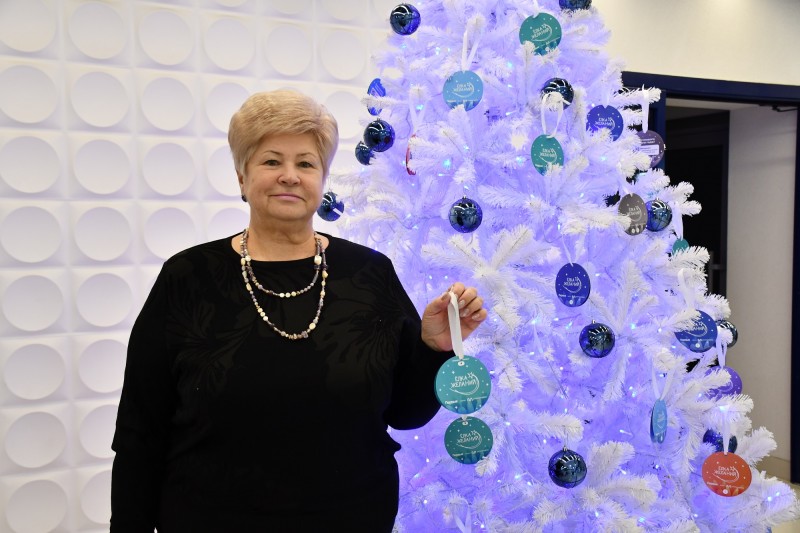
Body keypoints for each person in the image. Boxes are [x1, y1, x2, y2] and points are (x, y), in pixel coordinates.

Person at [110, 89, 487, 532]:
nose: (289, 176)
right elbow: (141, 434)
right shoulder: (188, 278)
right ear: (242, 177)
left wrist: (434, 349)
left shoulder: (369, 274)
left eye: (306, 164)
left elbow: (405, 413)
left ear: (321, 178)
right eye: (272, 161)